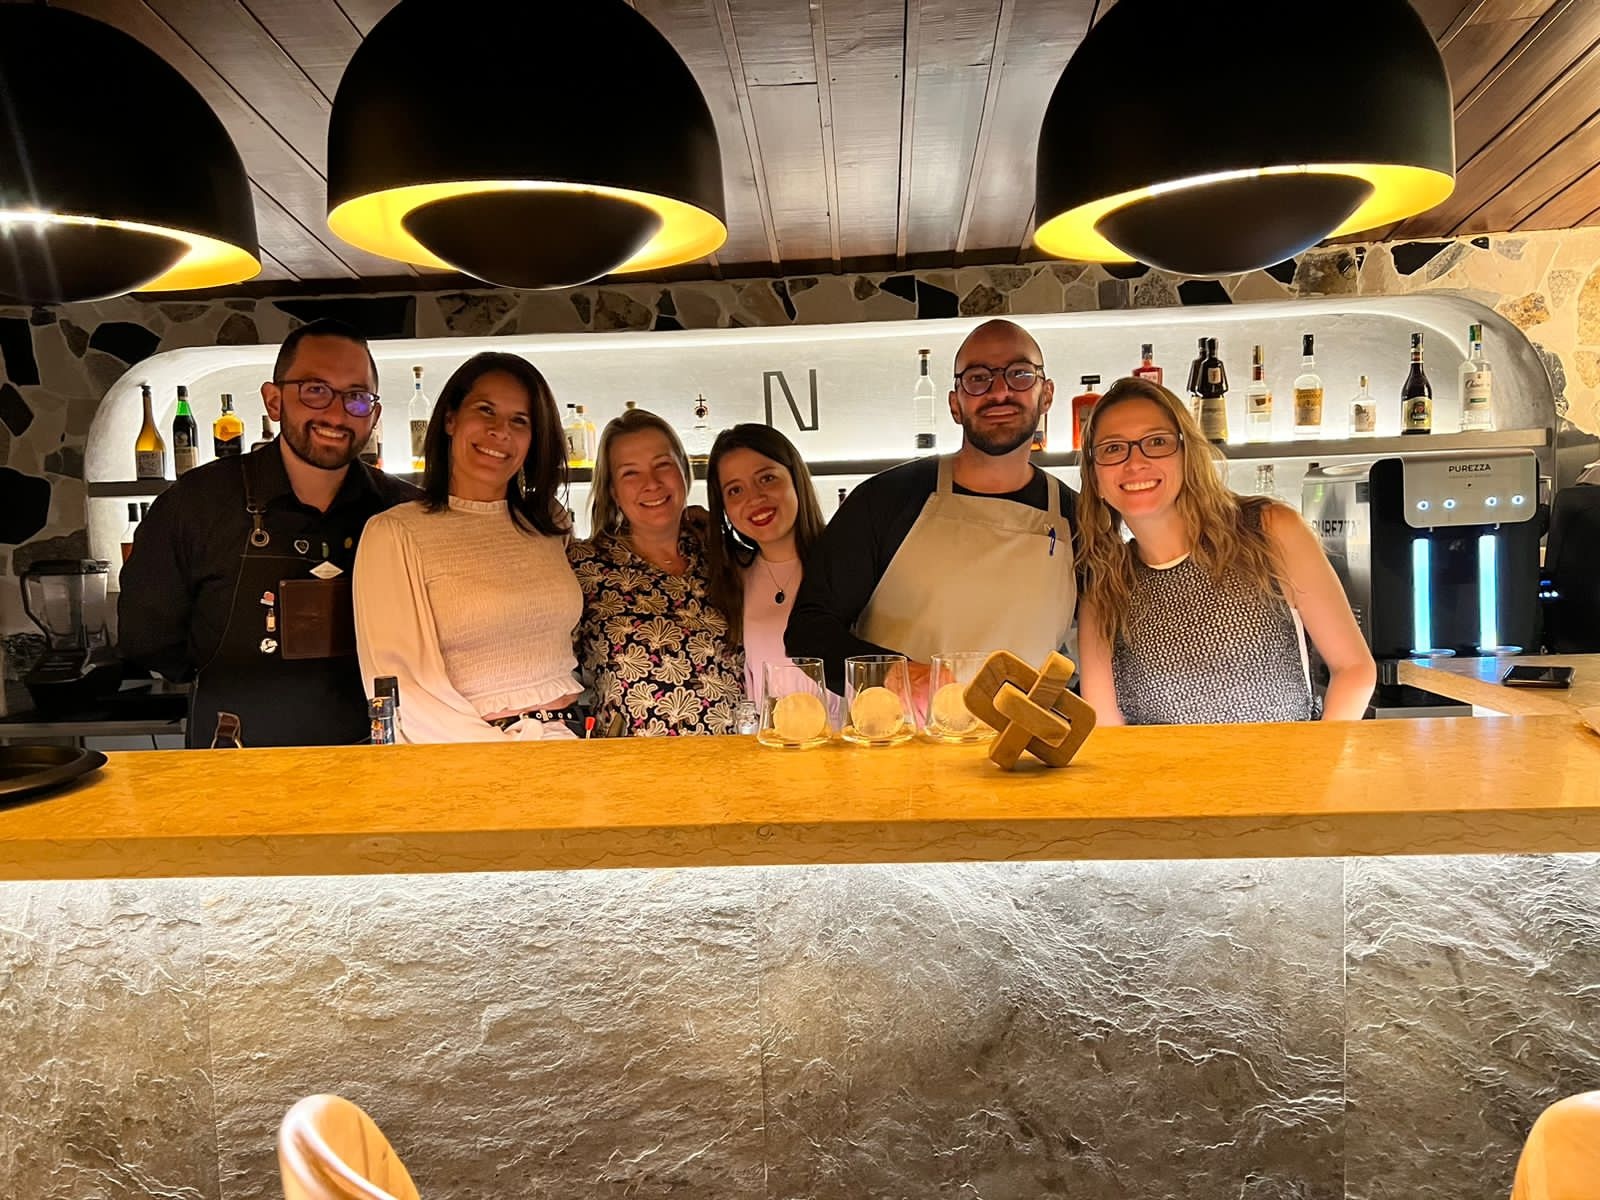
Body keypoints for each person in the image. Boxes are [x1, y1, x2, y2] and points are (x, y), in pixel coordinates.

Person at [119, 319, 419, 749]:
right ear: (273, 400)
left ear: (374, 414)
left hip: (377, 764)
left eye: (355, 397)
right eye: (315, 390)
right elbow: (148, 640)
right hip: (235, 762)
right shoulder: (194, 505)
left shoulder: (405, 510)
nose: (336, 413)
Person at [787, 318, 1078, 695]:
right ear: (955, 404)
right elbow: (809, 631)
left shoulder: (1079, 517)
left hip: (1025, 747)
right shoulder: (885, 499)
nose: (1000, 390)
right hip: (898, 744)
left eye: (1020, 374)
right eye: (978, 378)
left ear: (1047, 394)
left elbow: (1098, 641)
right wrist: (897, 676)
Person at [1073, 376, 1375, 724]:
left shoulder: (1268, 529)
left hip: (1285, 774)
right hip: (1162, 778)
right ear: (1095, 478)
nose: (1135, 462)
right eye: (1113, 448)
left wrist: (1317, 769)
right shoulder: (1105, 586)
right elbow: (1108, 728)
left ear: (1188, 456)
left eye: (1157, 442)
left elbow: (1354, 670)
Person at [352, 352, 583, 742]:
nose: (500, 431)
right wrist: (500, 761)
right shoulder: (395, 533)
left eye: (520, 420)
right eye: (486, 410)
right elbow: (402, 689)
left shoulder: (550, 524)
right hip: (470, 758)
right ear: (450, 419)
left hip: (573, 745)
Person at [568, 407, 744, 736]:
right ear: (613, 492)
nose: (651, 483)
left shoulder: (724, 556)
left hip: (737, 766)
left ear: (684, 472)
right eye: (630, 473)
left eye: (663, 465)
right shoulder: (581, 565)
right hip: (634, 775)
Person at [705, 423, 827, 700]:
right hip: (770, 741)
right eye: (735, 490)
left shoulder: (848, 561)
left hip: (849, 739)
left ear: (795, 477)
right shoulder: (731, 575)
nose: (755, 498)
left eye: (767, 478)